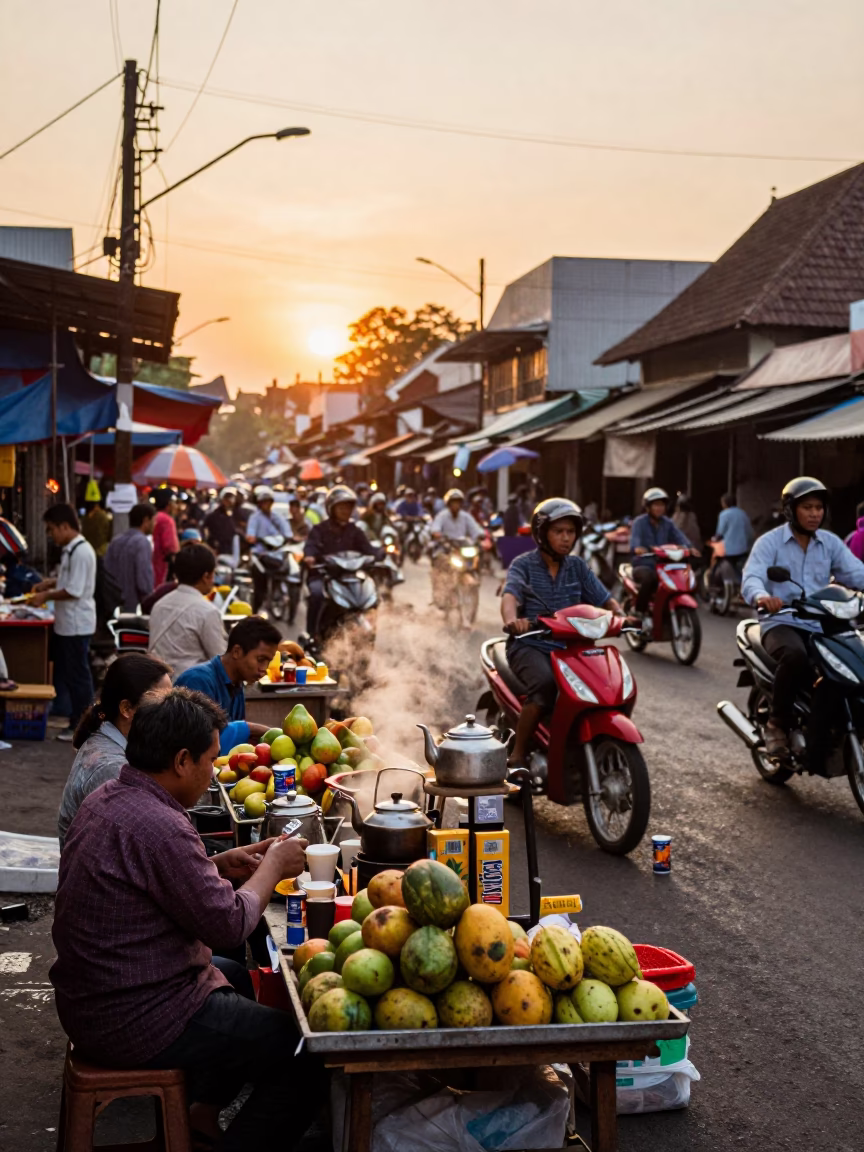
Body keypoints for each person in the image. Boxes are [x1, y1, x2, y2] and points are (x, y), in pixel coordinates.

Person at [50, 688, 322, 1152]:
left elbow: (147, 879)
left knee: (233, 974)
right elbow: (230, 924)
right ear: (181, 760)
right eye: (210, 760)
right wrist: (273, 867)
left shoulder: (113, 797)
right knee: (301, 1050)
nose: (215, 770)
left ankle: (200, 1114)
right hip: (130, 1016)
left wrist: (222, 864)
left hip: (91, 998)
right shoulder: (161, 824)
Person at [742, 476, 864, 756]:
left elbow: (856, 573)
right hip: (782, 622)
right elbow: (752, 577)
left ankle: (823, 730)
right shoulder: (770, 543)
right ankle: (776, 723)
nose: (814, 514)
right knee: (796, 656)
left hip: (821, 623)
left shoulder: (830, 543)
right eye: (807, 507)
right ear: (790, 510)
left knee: (850, 661)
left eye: (819, 508)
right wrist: (762, 597)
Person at [501, 498, 626, 765]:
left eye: (570, 532)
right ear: (542, 533)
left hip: (572, 648)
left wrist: (621, 616)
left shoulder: (578, 567)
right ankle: (518, 753)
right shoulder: (523, 564)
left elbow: (605, 598)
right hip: (531, 645)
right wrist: (513, 621)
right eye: (559, 531)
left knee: (604, 684)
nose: (566, 538)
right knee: (545, 685)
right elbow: (510, 595)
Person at [57, 653, 172, 849]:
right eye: (160, 705)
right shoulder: (112, 768)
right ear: (127, 708)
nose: (170, 714)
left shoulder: (112, 744)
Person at [29, 505, 97, 742]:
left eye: (51, 530)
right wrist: (50, 583)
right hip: (68, 622)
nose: (51, 535)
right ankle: (77, 720)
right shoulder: (72, 550)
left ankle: (82, 725)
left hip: (76, 622)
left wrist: (46, 596)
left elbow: (75, 590)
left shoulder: (80, 551)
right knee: (72, 673)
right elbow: (69, 581)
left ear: (64, 526)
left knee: (78, 675)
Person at [174, 614, 281, 743]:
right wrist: (252, 729)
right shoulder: (197, 681)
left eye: (268, 661)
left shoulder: (237, 684)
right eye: (261, 660)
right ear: (237, 652)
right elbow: (202, 743)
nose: (264, 669)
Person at [303, 485, 379, 637]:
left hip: (350, 576)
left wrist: (382, 553)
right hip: (323, 574)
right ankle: (312, 634)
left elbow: (368, 549)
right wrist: (310, 556)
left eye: (349, 507)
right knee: (317, 594)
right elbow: (311, 546)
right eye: (342, 507)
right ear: (331, 508)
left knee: (372, 596)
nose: (346, 511)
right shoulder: (320, 529)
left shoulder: (355, 530)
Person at [149, 544, 225, 676]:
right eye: (214, 574)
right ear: (206, 576)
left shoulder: (159, 605)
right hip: (192, 691)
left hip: (158, 686)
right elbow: (222, 662)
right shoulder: (207, 612)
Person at [629, 487, 695, 620]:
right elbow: (635, 542)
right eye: (656, 505)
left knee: (682, 577)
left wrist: (689, 548)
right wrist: (638, 548)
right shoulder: (639, 523)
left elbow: (680, 537)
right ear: (648, 507)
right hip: (643, 564)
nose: (659, 508)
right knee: (649, 579)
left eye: (662, 505)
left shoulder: (668, 523)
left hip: (664, 564)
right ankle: (639, 612)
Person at [246, 487, 292, 613]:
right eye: (264, 502)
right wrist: (253, 538)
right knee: (260, 586)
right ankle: (256, 610)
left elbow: (287, 532)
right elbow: (250, 534)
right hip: (260, 554)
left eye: (269, 502)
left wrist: (288, 537)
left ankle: (281, 594)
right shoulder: (255, 518)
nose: (267, 504)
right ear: (260, 504)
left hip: (277, 553)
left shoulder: (277, 517)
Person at [103, 501, 155, 612]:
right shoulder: (142, 543)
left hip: (112, 603)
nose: (154, 524)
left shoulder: (115, 541)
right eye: (153, 520)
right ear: (146, 521)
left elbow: (106, 572)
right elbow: (144, 582)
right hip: (133, 605)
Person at [150, 488, 180, 588]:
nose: (176, 506)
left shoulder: (154, 516)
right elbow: (171, 547)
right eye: (174, 503)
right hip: (160, 566)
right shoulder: (167, 520)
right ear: (168, 504)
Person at [203, 487, 239, 555]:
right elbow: (204, 529)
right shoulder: (213, 515)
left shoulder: (233, 514)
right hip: (217, 550)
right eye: (226, 498)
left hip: (230, 550)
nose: (228, 501)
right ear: (222, 499)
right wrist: (211, 545)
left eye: (230, 498)